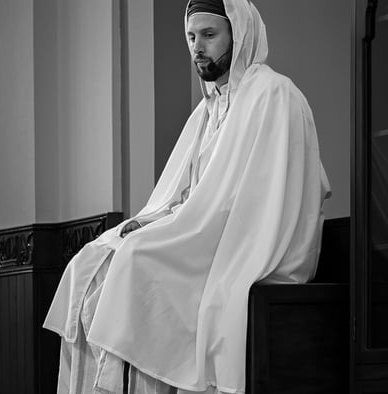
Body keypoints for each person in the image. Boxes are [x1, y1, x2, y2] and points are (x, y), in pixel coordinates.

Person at [44, 0, 331, 393]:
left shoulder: (273, 94)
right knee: (91, 261)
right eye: (192, 37)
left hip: (246, 244)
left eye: (210, 35)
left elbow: (258, 201)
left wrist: (179, 226)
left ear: (240, 34)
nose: (197, 47)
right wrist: (151, 221)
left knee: (135, 263)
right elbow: (185, 193)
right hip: (206, 232)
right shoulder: (208, 109)